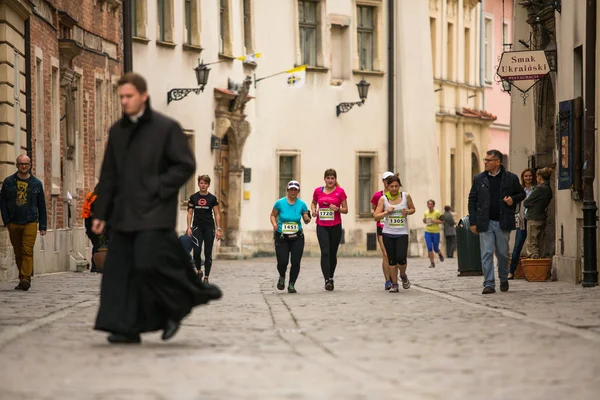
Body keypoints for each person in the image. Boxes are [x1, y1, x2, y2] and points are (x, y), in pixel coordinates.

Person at [92, 72, 221, 344]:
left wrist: (158, 187)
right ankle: (126, 327)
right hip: (125, 213)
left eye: (129, 96)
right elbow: (109, 175)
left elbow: (184, 164)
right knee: (121, 269)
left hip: (154, 212)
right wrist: (101, 212)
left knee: (149, 263)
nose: (124, 102)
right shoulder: (118, 131)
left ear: (143, 96)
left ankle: (176, 308)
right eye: (122, 97)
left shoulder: (166, 128)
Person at [468, 149, 525, 295]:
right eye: (485, 160)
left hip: (503, 221)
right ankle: (488, 284)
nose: (485, 163)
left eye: (488, 160)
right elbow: (472, 200)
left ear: (498, 162)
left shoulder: (510, 178)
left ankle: (503, 278)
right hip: (485, 222)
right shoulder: (479, 179)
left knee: (503, 253)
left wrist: (513, 199)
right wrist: (472, 222)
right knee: (486, 253)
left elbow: (521, 193)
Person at [0, 154, 47, 291]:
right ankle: (22, 278)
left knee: (27, 250)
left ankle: (26, 278)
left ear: (30, 165)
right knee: (18, 252)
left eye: (26, 164)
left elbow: (41, 205)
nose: (24, 166)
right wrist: (6, 220)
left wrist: (43, 225)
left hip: (30, 221)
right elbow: (2, 203)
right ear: (17, 165)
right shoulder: (8, 182)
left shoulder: (36, 184)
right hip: (13, 221)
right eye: (21, 164)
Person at [373, 175, 416, 292]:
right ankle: (395, 284)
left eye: (396, 186)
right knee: (391, 259)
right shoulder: (383, 199)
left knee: (401, 258)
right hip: (388, 233)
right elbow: (376, 216)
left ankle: (402, 274)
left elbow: (413, 209)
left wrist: (407, 212)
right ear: (387, 186)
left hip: (402, 233)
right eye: (391, 186)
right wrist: (386, 212)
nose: (394, 189)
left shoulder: (405, 196)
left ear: (399, 186)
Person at [270, 180, 311, 293]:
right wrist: (274, 224)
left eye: (295, 189)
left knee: (296, 261)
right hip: (282, 236)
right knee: (282, 262)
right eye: (291, 189)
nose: (293, 191)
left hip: (297, 237)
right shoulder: (280, 203)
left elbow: (305, 216)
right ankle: (282, 276)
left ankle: (292, 284)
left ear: (298, 191)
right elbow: (273, 215)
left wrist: (307, 218)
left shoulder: (301, 204)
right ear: (287, 190)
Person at [311, 169, 348, 291]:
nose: (330, 180)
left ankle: (331, 277)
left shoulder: (340, 192)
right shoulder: (318, 191)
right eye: (328, 178)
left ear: (335, 179)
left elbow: (346, 209)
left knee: (332, 253)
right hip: (321, 225)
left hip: (335, 225)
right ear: (324, 179)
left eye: (333, 178)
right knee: (325, 252)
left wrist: (337, 208)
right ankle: (326, 279)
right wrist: (314, 210)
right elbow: (313, 203)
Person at [187, 174, 222, 283]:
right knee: (196, 252)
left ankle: (206, 276)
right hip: (197, 227)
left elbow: (217, 214)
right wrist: (189, 227)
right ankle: (198, 271)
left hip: (209, 227)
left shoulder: (212, 198)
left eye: (205, 183)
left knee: (208, 253)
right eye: (201, 183)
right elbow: (189, 213)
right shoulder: (193, 198)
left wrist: (218, 229)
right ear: (198, 184)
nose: (203, 185)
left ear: (208, 185)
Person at [508, 168, 535, 279]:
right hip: (522, 220)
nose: (528, 178)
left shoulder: (536, 189)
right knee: (517, 246)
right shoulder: (519, 191)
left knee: (534, 246)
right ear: (523, 178)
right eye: (526, 176)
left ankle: (533, 273)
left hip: (533, 219)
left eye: (530, 176)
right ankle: (511, 272)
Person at [371, 171, 395, 290]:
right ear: (383, 182)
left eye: (390, 180)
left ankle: (395, 277)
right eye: (386, 180)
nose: (388, 182)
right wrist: (374, 213)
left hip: (395, 228)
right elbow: (373, 208)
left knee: (394, 256)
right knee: (385, 254)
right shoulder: (378, 195)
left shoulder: (399, 195)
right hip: (381, 227)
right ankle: (387, 281)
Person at [524, 167, 554, 259]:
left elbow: (526, 202)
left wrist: (532, 203)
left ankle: (535, 268)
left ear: (539, 177)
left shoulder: (540, 188)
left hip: (534, 217)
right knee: (541, 244)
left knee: (532, 245)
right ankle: (541, 268)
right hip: (542, 217)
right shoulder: (548, 188)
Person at [83, 185, 110, 273]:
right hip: (97, 225)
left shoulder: (90, 197)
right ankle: (96, 266)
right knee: (99, 245)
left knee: (96, 245)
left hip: (89, 224)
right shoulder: (98, 199)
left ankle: (95, 266)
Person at [423, 199, 445, 268]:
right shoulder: (426, 213)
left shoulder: (437, 213)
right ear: (427, 205)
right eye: (428, 204)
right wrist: (424, 221)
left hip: (435, 232)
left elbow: (442, 221)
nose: (430, 206)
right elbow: (425, 221)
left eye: (431, 204)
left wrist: (434, 221)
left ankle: (440, 254)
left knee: (435, 248)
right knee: (429, 247)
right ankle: (432, 263)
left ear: (433, 205)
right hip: (428, 232)